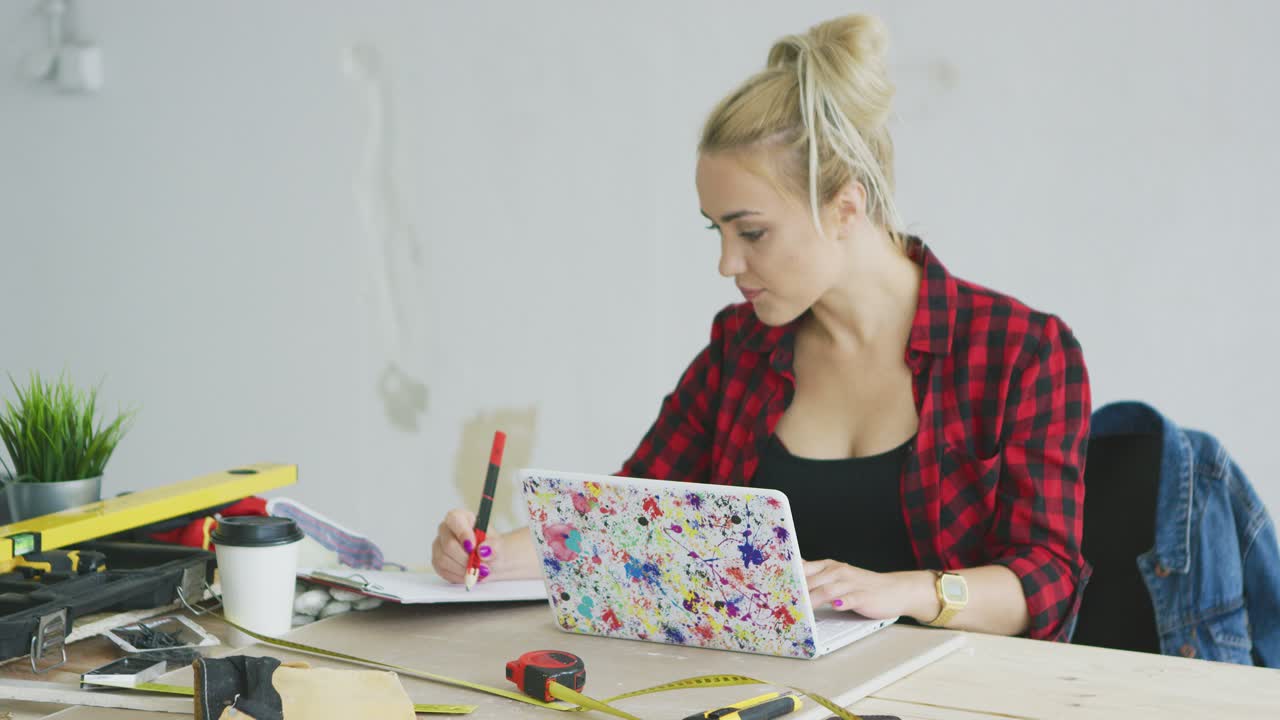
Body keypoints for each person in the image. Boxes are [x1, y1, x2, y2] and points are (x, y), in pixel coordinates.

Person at [432, 13, 1091, 641]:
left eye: (751, 232)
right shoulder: (740, 349)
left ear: (845, 207)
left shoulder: (1021, 353)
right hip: (770, 693)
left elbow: (1048, 580)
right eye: (716, 231)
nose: (727, 263)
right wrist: (489, 555)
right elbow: (629, 521)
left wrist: (907, 591)